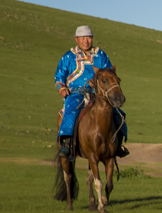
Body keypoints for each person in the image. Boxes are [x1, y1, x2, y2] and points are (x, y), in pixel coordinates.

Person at [54, 25, 128, 159]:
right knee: (71, 111)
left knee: (118, 114)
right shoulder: (69, 56)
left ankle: (118, 145)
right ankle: (67, 143)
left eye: (88, 38)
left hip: (98, 93)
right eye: (83, 38)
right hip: (76, 92)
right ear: (77, 39)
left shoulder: (100, 54)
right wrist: (62, 88)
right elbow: (59, 75)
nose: (86, 41)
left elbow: (110, 73)